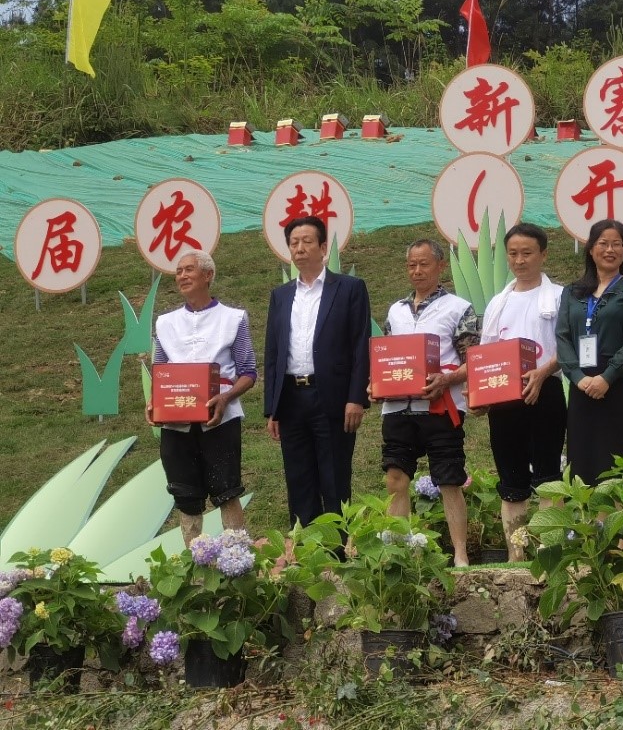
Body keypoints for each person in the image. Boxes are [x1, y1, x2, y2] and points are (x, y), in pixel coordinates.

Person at [264, 215, 372, 528]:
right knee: (298, 478)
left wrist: (356, 398)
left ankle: (339, 548)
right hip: (291, 398)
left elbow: (361, 345)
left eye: (307, 241)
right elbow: (273, 353)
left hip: (333, 398)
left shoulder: (349, 288)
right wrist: (272, 408)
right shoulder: (281, 295)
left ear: (323, 247)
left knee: (334, 477)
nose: (299, 248)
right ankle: (305, 546)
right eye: (293, 243)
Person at [380, 240, 479, 566]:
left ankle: (461, 555)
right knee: (396, 477)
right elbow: (387, 358)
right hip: (397, 408)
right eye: (412, 265)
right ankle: (401, 556)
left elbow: (473, 360)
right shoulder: (395, 311)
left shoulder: (459, 308)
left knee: (449, 478)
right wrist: (376, 382)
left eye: (424, 264)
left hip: (441, 407)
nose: (417, 271)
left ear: (440, 266)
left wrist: (446, 380)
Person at [148, 251, 255, 545]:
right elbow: (160, 372)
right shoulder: (165, 323)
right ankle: (194, 562)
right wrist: (154, 402)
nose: (182, 276)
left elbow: (248, 372)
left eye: (189, 270)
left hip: (221, 418)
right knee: (185, 494)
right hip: (176, 421)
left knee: (227, 490)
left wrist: (226, 397)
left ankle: (237, 557)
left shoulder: (233, 319)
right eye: (178, 271)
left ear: (208, 275)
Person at [475, 223, 566, 562]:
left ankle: (549, 552)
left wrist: (542, 373)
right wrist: (480, 396)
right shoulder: (499, 302)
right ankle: (516, 556)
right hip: (504, 399)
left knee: (548, 474)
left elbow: (568, 346)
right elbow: (486, 354)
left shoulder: (559, 297)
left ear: (543, 254)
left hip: (546, 391)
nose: (519, 260)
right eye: (512, 253)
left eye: (527, 253)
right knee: (510, 477)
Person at [555, 219, 623, 486]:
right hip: (582, 385)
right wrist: (578, 377)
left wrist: (607, 377)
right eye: (603, 243)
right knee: (584, 457)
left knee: (621, 457)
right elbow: (562, 337)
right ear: (590, 249)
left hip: (618, 383)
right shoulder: (572, 292)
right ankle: (588, 512)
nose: (610, 250)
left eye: (617, 244)